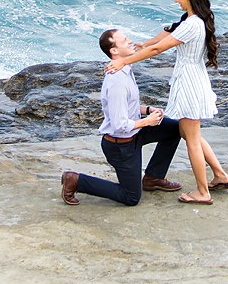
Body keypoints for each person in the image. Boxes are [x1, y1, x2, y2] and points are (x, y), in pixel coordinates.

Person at [106, 0, 228, 205]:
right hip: (194, 79)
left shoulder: (192, 24)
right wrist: (144, 43)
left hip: (188, 83)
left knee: (192, 139)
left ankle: (203, 192)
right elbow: (169, 32)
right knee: (188, 133)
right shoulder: (192, 18)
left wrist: (124, 61)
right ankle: (220, 175)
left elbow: (159, 49)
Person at [60, 29, 183, 206]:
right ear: (114, 51)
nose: (130, 41)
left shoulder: (126, 68)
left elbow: (128, 107)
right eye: (124, 40)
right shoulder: (117, 81)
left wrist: (148, 110)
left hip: (137, 132)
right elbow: (119, 125)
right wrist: (148, 121)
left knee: (175, 128)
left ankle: (153, 178)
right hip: (121, 145)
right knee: (131, 198)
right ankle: (76, 180)